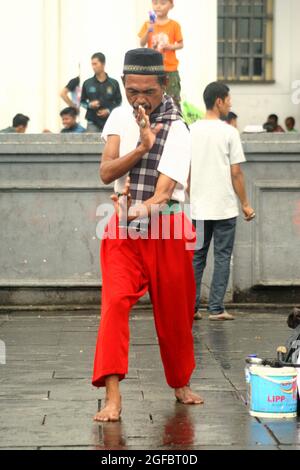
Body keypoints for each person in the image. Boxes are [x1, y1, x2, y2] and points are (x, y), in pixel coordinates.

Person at [92, 48, 204, 423]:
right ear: (124, 85)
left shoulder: (178, 127)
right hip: (123, 229)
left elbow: (161, 193)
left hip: (167, 228)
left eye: (149, 92)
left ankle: (180, 382)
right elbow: (107, 172)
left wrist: (141, 209)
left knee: (175, 314)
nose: (140, 99)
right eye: (132, 90)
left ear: (165, 85)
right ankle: (112, 397)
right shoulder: (120, 118)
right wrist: (141, 146)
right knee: (113, 306)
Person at [190, 82, 255, 322]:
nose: (230, 104)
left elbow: (186, 168)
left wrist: (190, 193)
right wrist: (246, 203)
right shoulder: (229, 132)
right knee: (222, 256)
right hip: (224, 206)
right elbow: (236, 172)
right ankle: (216, 309)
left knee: (197, 257)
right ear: (219, 101)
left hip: (198, 206)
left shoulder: (192, 130)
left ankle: (191, 308)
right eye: (228, 100)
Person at [138, 0, 183, 108]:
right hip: (152, 69)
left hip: (170, 69)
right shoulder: (148, 23)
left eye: (163, 3)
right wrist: (148, 30)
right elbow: (142, 43)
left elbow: (181, 44)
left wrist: (170, 46)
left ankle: (173, 121)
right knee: (152, 98)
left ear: (171, 5)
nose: (158, 6)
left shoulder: (174, 25)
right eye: (155, 3)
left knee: (173, 100)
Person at [81, 53, 122, 133]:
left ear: (103, 64)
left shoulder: (114, 83)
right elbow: (82, 102)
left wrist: (108, 110)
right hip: (92, 122)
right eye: (92, 64)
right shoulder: (87, 83)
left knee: (110, 144)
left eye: (95, 64)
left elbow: (118, 102)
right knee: (91, 145)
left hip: (110, 122)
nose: (93, 67)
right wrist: (90, 105)